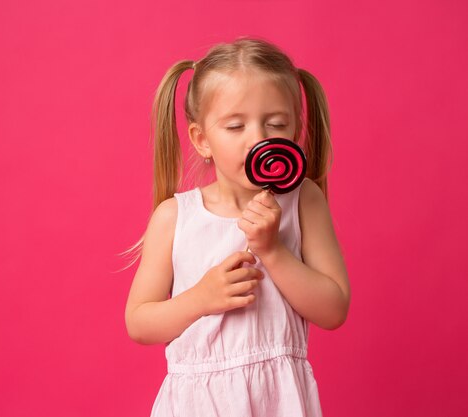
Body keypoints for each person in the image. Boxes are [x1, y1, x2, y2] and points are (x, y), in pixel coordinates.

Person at [123, 37, 350, 417]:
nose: (259, 138)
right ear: (202, 139)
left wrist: (273, 251)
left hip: (279, 399)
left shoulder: (303, 201)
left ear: (295, 130)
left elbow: (334, 309)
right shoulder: (176, 216)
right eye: (235, 126)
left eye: (276, 123)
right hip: (199, 403)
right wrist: (200, 298)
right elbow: (139, 322)